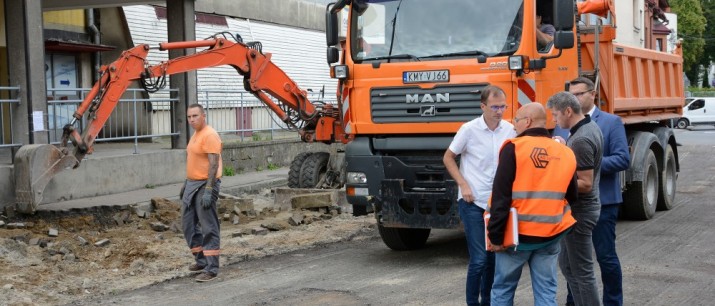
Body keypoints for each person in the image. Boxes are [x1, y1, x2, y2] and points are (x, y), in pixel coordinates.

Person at [488, 102, 578, 306]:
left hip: (515, 237)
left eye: (516, 120)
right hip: (550, 236)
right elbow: (572, 195)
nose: (513, 125)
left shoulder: (513, 148)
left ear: (527, 122)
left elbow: (501, 197)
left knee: (503, 289)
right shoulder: (565, 152)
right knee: (546, 291)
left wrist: (495, 236)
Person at [554, 77, 630, 306]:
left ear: (592, 94)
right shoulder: (563, 123)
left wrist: (589, 166)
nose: (574, 98)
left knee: (605, 258)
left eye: (579, 94)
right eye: (571, 94)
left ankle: (613, 303)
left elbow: (622, 159)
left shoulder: (610, 122)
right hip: (573, 205)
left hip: (603, 201)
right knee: (572, 263)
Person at [443, 85, 516, 306]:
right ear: (482, 106)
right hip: (473, 202)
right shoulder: (469, 129)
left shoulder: (510, 130)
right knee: (479, 260)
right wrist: (463, 185)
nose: (499, 111)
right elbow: (448, 158)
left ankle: (488, 302)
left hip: (499, 204)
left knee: (494, 257)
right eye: (495, 106)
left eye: (503, 106)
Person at [547, 92, 603, 306]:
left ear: (568, 111)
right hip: (578, 211)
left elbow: (586, 183)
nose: (554, 120)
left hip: (580, 213)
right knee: (569, 267)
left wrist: (552, 183)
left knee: (582, 272)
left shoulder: (581, 138)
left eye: (555, 115)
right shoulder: (586, 129)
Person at [180, 103, 223, 282]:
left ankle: (211, 268)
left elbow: (213, 164)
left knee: (208, 226)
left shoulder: (210, 135)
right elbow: (194, 160)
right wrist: (185, 184)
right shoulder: (196, 135)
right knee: (188, 224)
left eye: (195, 116)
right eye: (189, 117)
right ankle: (201, 260)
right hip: (192, 184)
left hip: (206, 184)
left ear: (203, 116)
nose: (192, 120)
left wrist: (209, 189)